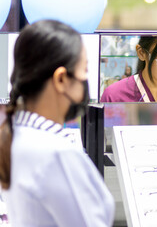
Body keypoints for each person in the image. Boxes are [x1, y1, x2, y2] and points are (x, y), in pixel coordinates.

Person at [0, 20, 115, 226]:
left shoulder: (15, 135)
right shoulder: (57, 154)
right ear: (61, 79)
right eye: (85, 70)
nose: (86, 81)